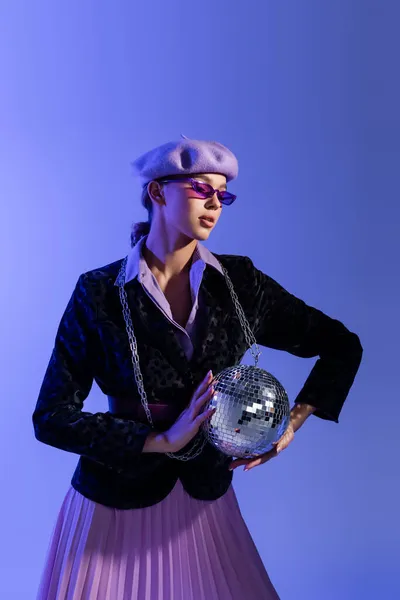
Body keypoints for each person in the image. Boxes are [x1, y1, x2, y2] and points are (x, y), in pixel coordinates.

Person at [33, 136, 363, 600]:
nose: (215, 204)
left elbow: (341, 345)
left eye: (223, 194)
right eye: (201, 189)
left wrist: (290, 424)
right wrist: (158, 441)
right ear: (157, 192)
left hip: (205, 496)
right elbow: (51, 417)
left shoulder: (241, 284)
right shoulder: (99, 292)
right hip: (112, 498)